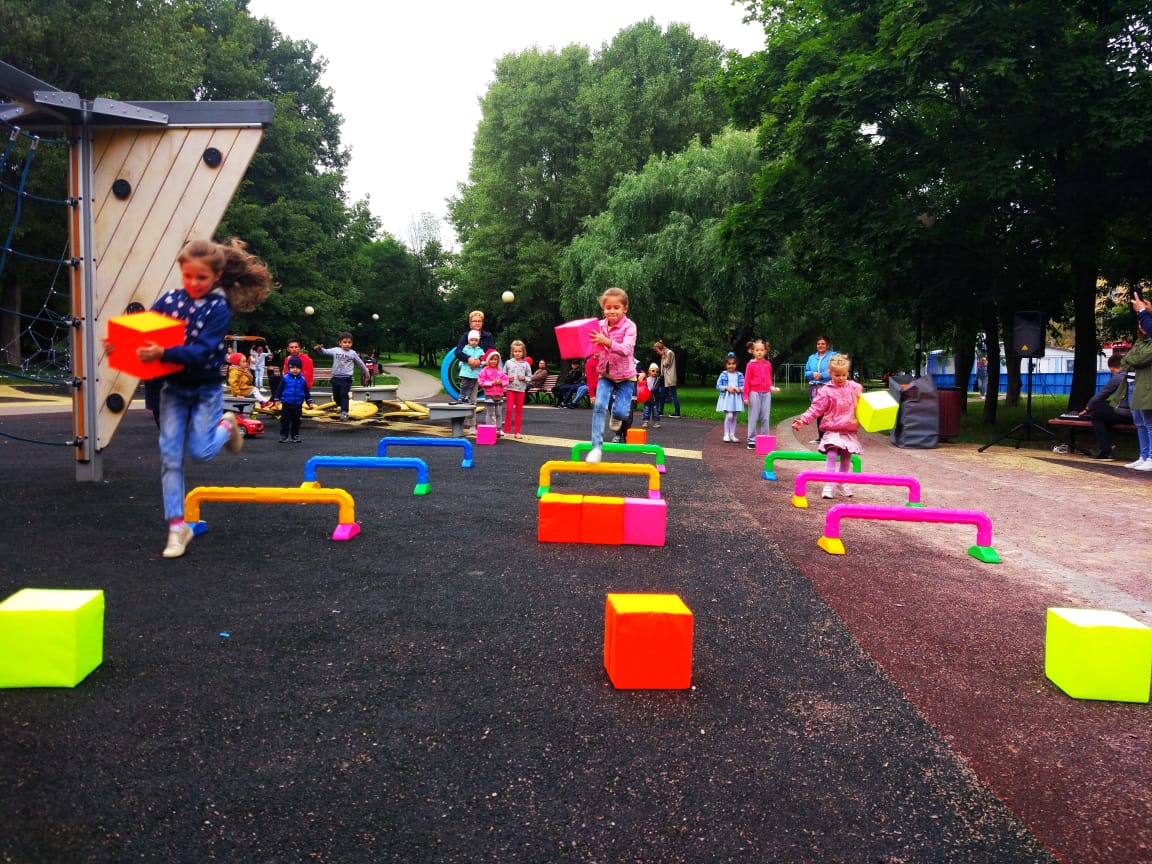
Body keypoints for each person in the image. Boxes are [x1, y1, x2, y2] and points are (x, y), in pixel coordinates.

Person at [124, 237, 273, 559]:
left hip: (205, 388)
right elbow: (146, 330)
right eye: (188, 276)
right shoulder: (169, 300)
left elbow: (202, 350)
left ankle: (228, 423)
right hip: (173, 390)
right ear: (181, 271)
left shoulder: (218, 308)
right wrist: (122, 344)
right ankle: (178, 528)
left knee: (202, 453)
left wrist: (162, 351)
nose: (194, 283)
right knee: (169, 457)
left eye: (201, 278)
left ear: (216, 276)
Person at [791, 353, 863, 499]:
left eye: (844, 375)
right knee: (831, 454)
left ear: (847, 373)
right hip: (833, 429)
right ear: (830, 373)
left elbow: (862, 394)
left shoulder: (853, 388)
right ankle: (829, 484)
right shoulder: (826, 391)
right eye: (837, 375)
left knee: (846, 458)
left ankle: (842, 482)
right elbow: (816, 408)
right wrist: (803, 420)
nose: (841, 378)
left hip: (848, 429)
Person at [586, 287, 637, 463]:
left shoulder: (630, 327)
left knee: (622, 413)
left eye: (616, 307)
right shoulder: (598, 326)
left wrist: (606, 342)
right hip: (605, 375)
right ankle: (596, 448)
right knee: (599, 406)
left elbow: (626, 349)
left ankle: (616, 414)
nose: (612, 311)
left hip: (626, 376)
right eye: (608, 308)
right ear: (603, 309)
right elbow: (590, 344)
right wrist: (592, 350)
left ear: (625, 309)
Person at [1076, 353, 1132, 461]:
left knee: (1096, 413)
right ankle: (1107, 448)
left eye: (1112, 371)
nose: (1113, 374)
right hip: (1142, 413)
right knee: (1104, 409)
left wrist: (1086, 409)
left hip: (1130, 415)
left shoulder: (1121, 376)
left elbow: (1101, 395)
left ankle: (1106, 451)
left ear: (1115, 367)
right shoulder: (1137, 374)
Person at [1122, 301, 1152, 470]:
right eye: (1140, 323)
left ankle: (1151, 458)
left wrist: (1132, 359)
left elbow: (1138, 359)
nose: (1141, 326)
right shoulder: (1140, 342)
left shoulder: (1150, 342)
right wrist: (1131, 359)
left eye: (1144, 322)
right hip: (1133, 383)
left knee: (1149, 423)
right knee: (1139, 423)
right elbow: (1126, 361)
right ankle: (1144, 455)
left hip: (1146, 385)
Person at [314, 332, 370, 421]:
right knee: (336, 396)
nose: (347, 344)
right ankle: (341, 407)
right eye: (345, 342)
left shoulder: (352, 353)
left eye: (349, 342)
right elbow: (325, 352)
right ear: (340, 343)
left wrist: (366, 372)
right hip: (336, 377)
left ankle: (344, 412)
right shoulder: (336, 350)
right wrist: (319, 349)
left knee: (344, 395)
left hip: (346, 378)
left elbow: (360, 363)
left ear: (352, 343)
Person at [744, 338, 779, 450]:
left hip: (766, 394)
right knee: (753, 417)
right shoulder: (750, 365)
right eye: (757, 350)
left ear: (765, 351)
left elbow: (769, 379)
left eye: (762, 350)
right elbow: (746, 381)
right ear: (752, 351)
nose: (759, 352)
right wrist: (745, 396)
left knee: (765, 418)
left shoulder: (768, 364)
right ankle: (752, 440)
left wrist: (772, 387)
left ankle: (764, 439)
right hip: (754, 393)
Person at [274, 355, 315, 443]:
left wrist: (309, 401)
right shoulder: (285, 378)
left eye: (297, 368)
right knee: (285, 420)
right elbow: (279, 389)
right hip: (287, 403)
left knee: (297, 421)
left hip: (298, 404)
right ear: (289, 368)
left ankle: (295, 435)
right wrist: (277, 399)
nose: (295, 369)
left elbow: (306, 391)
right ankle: (284, 435)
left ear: (300, 368)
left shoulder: (302, 379)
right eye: (292, 367)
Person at [804, 335, 834, 442]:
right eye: (818, 344)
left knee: (830, 413)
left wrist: (823, 375)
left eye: (823, 344)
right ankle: (821, 437)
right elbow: (806, 372)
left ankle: (831, 438)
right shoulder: (811, 358)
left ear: (828, 345)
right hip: (815, 388)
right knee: (819, 412)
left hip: (829, 388)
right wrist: (812, 373)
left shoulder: (834, 356)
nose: (820, 346)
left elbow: (836, 369)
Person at [453, 310, 495, 378]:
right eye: (475, 321)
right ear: (470, 323)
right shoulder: (466, 336)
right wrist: (468, 359)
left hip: (485, 362)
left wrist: (480, 361)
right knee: (462, 366)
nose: (477, 323)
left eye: (479, 321)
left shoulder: (488, 336)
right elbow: (458, 351)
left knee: (498, 366)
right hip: (468, 363)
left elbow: (492, 351)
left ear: (482, 323)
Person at [455, 330, 485, 427]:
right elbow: (461, 357)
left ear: (478, 341)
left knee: (471, 386)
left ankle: (467, 397)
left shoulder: (480, 350)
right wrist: (469, 360)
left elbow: (483, 358)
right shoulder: (465, 348)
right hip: (466, 372)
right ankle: (461, 396)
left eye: (476, 340)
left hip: (475, 373)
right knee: (464, 384)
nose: (474, 342)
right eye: (472, 340)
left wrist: (480, 362)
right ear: (468, 341)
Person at [503, 340, 532, 438]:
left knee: (519, 411)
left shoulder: (526, 364)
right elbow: (503, 375)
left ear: (523, 352)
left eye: (519, 351)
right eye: (515, 351)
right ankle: (507, 430)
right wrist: (507, 378)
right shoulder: (508, 363)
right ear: (512, 352)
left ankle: (517, 431)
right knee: (509, 409)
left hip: (521, 390)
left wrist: (524, 378)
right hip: (510, 389)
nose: (517, 353)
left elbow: (530, 377)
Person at [478, 349, 509, 434]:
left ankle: (498, 430)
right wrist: (491, 383)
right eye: (492, 359)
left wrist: (501, 383)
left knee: (499, 413)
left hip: (499, 395)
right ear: (488, 360)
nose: (494, 361)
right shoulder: (484, 370)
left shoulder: (500, 370)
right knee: (490, 413)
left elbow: (506, 380)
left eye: (496, 359)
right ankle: (489, 429)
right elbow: (481, 381)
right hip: (489, 395)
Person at [716, 353, 745, 443]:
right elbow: (718, 385)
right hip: (727, 398)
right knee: (729, 415)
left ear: (736, 364)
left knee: (734, 416)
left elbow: (744, 386)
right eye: (729, 364)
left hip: (736, 398)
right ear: (726, 365)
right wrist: (726, 387)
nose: (731, 365)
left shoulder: (739, 375)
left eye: (733, 363)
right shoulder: (723, 374)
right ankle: (726, 434)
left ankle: (732, 434)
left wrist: (739, 389)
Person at [654, 340, 681, 419]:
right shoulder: (665, 353)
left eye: (658, 351)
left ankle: (677, 413)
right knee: (661, 393)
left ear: (661, 349)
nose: (657, 353)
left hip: (670, 377)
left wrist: (663, 356)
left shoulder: (669, 353)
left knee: (673, 395)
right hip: (664, 377)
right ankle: (660, 411)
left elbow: (666, 364)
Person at [641, 362, 660, 428]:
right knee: (646, 409)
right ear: (649, 371)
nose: (655, 373)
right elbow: (644, 386)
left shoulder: (657, 380)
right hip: (647, 398)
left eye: (657, 371)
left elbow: (656, 388)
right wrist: (646, 392)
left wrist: (651, 392)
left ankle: (656, 422)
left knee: (655, 410)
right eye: (653, 371)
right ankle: (645, 421)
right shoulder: (646, 379)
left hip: (654, 398)